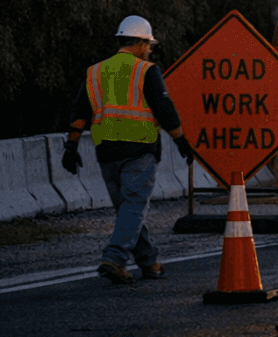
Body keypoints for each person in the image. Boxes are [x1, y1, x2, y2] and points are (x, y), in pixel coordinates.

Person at [61, 16, 194, 285]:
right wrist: (180, 141)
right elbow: (164, 110)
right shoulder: (147, 71)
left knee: (128, 209)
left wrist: (71, 147)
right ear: (141, 42)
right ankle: (115, 257)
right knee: (133, 207)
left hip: (107, 152)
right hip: (140, 149)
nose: (150, 50)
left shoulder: (95, 72)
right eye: (149, 44)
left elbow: (79, 112)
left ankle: (149, 262)